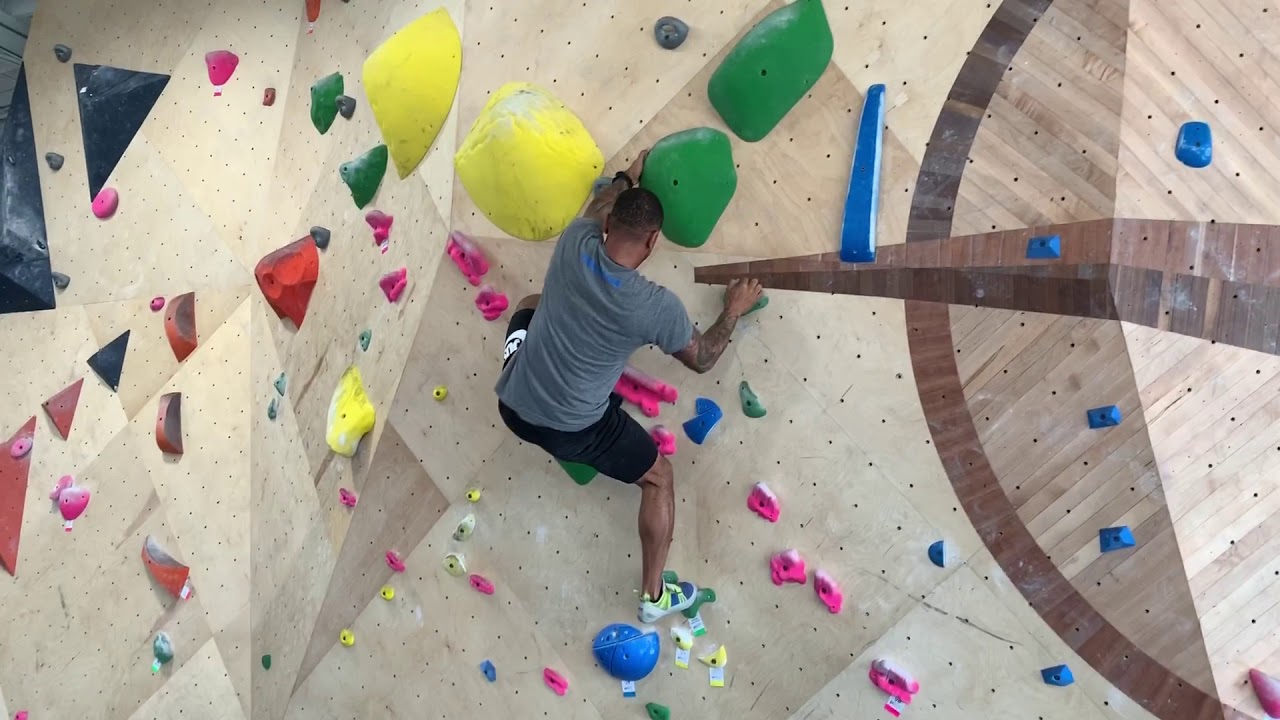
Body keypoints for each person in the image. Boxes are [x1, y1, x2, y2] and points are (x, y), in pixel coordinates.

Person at [494, 149, 764, 623]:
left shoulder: (575, 239)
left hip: (512, 401)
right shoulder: (657, 307)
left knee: (530, 302)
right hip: (573, 427)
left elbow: (599, 205)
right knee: (659, 478)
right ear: (654, 240)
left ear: (608, 225)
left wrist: (624, 177)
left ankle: (546, 362)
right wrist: (734, 309)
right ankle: (655, 598)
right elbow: (702, 358)